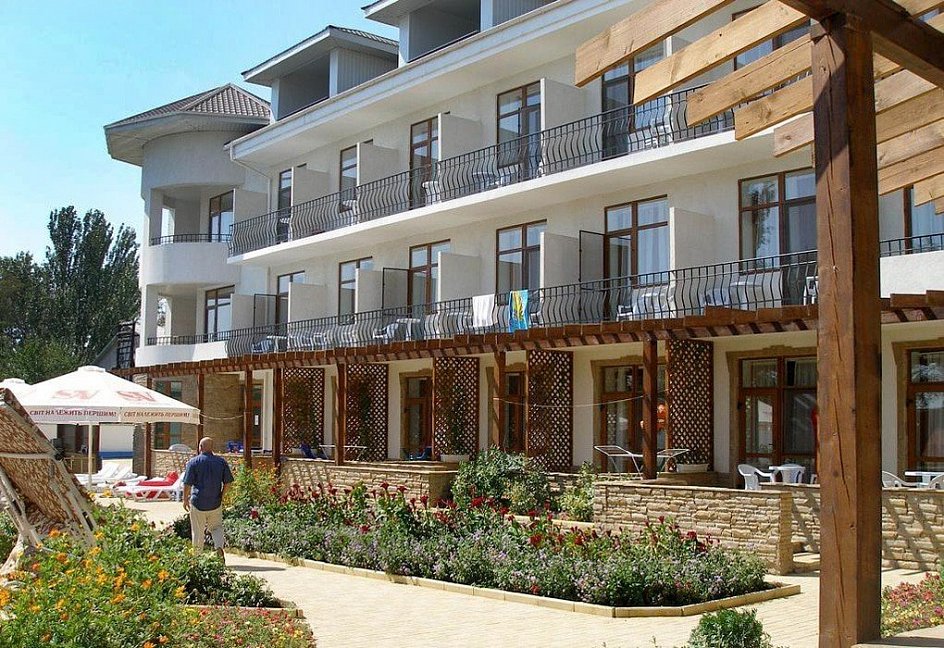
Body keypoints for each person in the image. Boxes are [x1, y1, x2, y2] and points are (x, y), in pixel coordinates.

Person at [182, 437, 234, 559]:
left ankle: (197, 557)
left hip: (198, 502)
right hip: (215, 502)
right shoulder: (221, 462)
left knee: (198, 531)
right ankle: (219, 547)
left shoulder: (193, 462)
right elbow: (228, 482)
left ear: (200, 447)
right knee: (216, 528)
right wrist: (222, 495)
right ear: (212, 448)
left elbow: (187, 484)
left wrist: (185, 499)